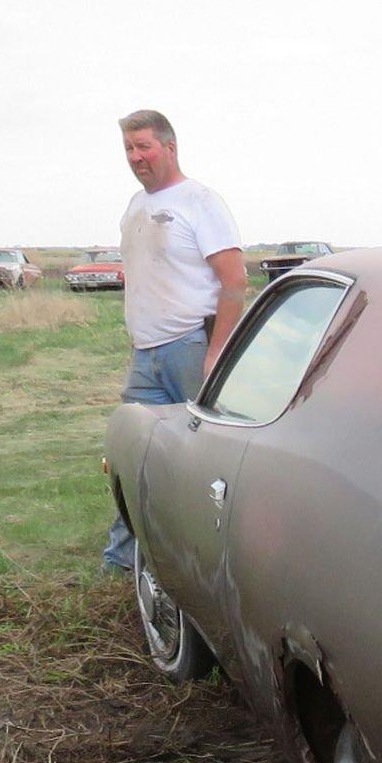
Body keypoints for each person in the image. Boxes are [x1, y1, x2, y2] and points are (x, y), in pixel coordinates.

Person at [101, 107, 247, 572]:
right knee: (133, 460)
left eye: (144, 146)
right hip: (145, 356)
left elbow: (234, 281)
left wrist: (217, 352)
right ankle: (122, 565)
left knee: (204, 466)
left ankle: (220, 563)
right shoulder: (134, 206)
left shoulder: (200, 201)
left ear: (169, 146)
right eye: (129, 148)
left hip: (189, 347)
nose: (136, 157)